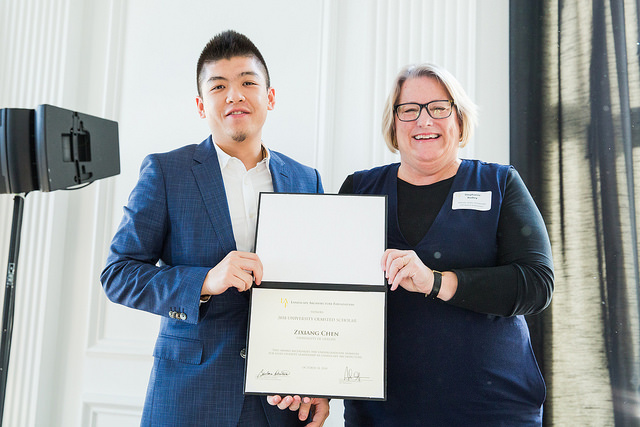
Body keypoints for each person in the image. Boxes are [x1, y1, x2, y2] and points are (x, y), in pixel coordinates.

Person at [100, 30, 329, 427]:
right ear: (200, 104)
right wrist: (205, 280)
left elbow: (319, 289)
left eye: (247, 83)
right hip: (190, 398)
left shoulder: (306, 179)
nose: (235, 96)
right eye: (219, 86)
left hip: (280, 406)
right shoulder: (166, 172)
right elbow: (118, 274)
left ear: (270, 97)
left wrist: (318, 384)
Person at [339, 64, 554, 426]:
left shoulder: (499, 184)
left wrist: (437, 282)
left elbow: (536, 284)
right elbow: (328, 295)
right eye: (409, 110)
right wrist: (311, 383)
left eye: (438, 108)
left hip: (492, 410)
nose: (424, 121)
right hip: (382, 412)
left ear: (459, 120)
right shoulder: (359, 191)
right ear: (394, 124)